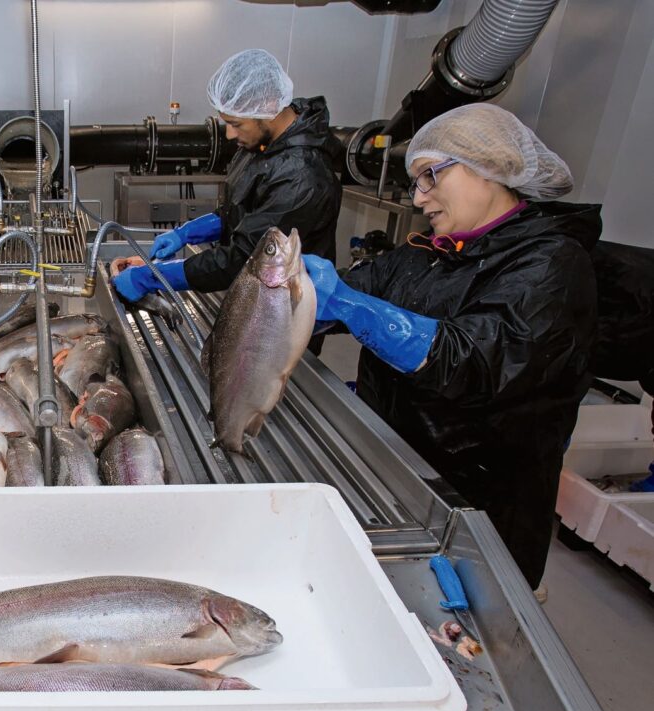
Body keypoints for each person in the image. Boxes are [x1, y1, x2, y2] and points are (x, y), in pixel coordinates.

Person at [302, 103, 600, 590]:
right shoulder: (429, 253)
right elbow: (354, 290)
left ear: (493, 166)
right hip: (397, 475)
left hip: (480, 511)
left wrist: (354, 307)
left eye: (430, 176)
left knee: (460, 641)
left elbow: (473, 360)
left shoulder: (552, 265)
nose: (419, 198)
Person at [112, 49, 340, 305]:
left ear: (267, 109)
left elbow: (244, 259)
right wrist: (186, 233)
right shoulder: (263, 145)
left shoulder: (302, 176)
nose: (230, 135)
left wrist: (152, 277)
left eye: (236, 124)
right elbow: (241, 212)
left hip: (286, 312)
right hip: (254, 297)